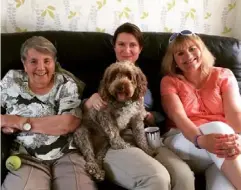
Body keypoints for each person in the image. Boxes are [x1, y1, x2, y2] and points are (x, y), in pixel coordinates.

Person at [83, 23, 195, 190]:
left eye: (133, 45)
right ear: (114, 46)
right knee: (158, 179)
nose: (126, 50)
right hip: (111, 139)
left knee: (184, 177)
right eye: (121, 44)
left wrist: (148, 116)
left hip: (145, 135)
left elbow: (162, 114)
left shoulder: (153, 73)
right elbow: (80, 112)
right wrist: (89, 100)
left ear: (140, 48)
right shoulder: (101, 71)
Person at [1, 36, 96, 190]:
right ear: (24, 63)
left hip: (67, 154)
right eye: (33, 61)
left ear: (54, 62)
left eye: (47, 61)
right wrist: (5, 122)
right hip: (26, 156)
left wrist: (17, 122)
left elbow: (68, 123)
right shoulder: (12, 80)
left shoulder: (65, 83)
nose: (41, 68)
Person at [160, 30, 241, 190]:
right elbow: (179, 117)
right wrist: (200, 140)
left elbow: (235, 115)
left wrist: (238, 139)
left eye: (192, 49)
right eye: (180, 53)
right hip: (185, 143)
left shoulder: (224, 74)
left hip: (221, 149)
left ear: (201, 50)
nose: (188, 56)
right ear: (174, 60)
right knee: (218, 128)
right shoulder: (169, 81)